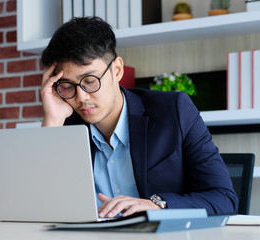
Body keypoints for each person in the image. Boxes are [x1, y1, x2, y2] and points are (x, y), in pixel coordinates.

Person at [40, 17, 238, 218]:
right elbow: (41, 207)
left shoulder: (174, 111)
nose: (81, 97)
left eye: (90, 81)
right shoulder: (66, 126)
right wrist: (53, 123)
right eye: (67, 86)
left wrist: (157, 205)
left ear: (117, 70)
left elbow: (224, 199)